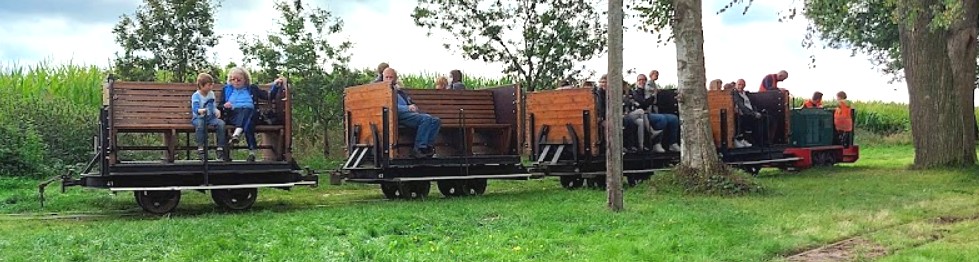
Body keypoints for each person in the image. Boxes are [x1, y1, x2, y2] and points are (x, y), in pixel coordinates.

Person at [220, 67, 284, 162]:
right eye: (233, 79)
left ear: (245, 79)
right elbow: (220, 106)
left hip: (252, 115)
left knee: (248, 113)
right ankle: (252, 152)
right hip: (233, 115)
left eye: (238, 79)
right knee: (247, 124)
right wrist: (225, 105)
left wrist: (275, 86)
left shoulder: (252, 88)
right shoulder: (226, 89)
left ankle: (237, 134)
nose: (235, 81)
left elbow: (268, 96)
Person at [386, 67, 441, 158]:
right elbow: (391, 107)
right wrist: (407, 108)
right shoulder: (385, 91)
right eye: (386, 77)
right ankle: (419, 148)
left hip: (409, 114)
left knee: (436, 120)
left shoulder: (399, 91)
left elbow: (408, 102)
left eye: (390, 77)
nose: (388, 80)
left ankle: (428, 146)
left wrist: (413, 106)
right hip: (398, 115)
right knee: (426, 119)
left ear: (395, 79)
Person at [633, 73, 681, 152]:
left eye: (644, 80)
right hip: (643, 114)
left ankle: (673, 143)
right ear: (636, 82)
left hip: (655, 112)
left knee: (674, 118)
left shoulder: (651, 89)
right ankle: (656, 143)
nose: (642, 82)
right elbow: (643, 104)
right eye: (640, 80)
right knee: (661, 119)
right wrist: (653, 96)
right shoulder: (636, 92)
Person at [190, 73, 226, 160]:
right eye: (209, 85)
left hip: (210, 118)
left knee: (221, 124)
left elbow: (213, 106)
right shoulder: (196, 95)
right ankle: (200, 148)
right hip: (199, 117)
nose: (211, 87)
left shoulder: (211, 94)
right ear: (202, 86)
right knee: (200, 125)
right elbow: (195, 108)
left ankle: (220, 148)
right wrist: (200, 111)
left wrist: (216, 110)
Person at [733, 79, 762, 148]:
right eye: (739, 84)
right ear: (736, 85)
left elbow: (752, 104)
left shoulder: (746, 94)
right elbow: (741, 106)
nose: (741, 86)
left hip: (750, 112)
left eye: (742, 85)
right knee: (745, 118)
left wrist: (755, 112)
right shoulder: (735, 94)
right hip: (743, 113)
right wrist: (753, 113)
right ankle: (741, 139)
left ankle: (758, 141)